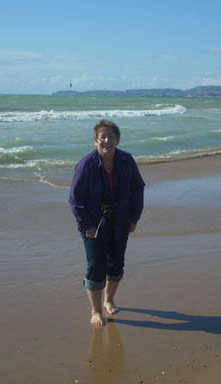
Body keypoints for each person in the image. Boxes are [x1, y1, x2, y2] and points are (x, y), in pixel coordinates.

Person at [69, 120, 145, 326]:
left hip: (121, 222)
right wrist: (87, 225)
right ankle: (95, 310)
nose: (107, 140)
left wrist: (134, 217)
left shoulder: (127, 160)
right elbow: (75, 199)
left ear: (118, 140)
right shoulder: (86, 164)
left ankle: (109, 300)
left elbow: (137, 188)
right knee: (96, 266)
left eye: (111, 136)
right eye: (102, 136)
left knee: (116, 265)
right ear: (95, 141)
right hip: (93, 224)